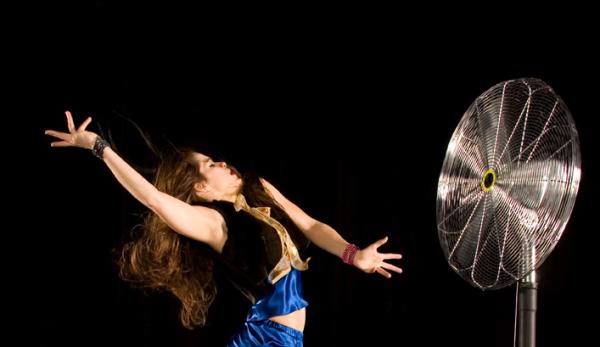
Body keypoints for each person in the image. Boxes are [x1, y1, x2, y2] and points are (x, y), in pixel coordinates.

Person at [45, 110, 403, 346]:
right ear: (201, 188)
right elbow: (154, 199)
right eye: (211, 164)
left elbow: (309, 224)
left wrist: (352, 254)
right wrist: (98, 146)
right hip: (265, 339)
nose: (224, 163)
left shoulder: (260, 189)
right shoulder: (213, 223)